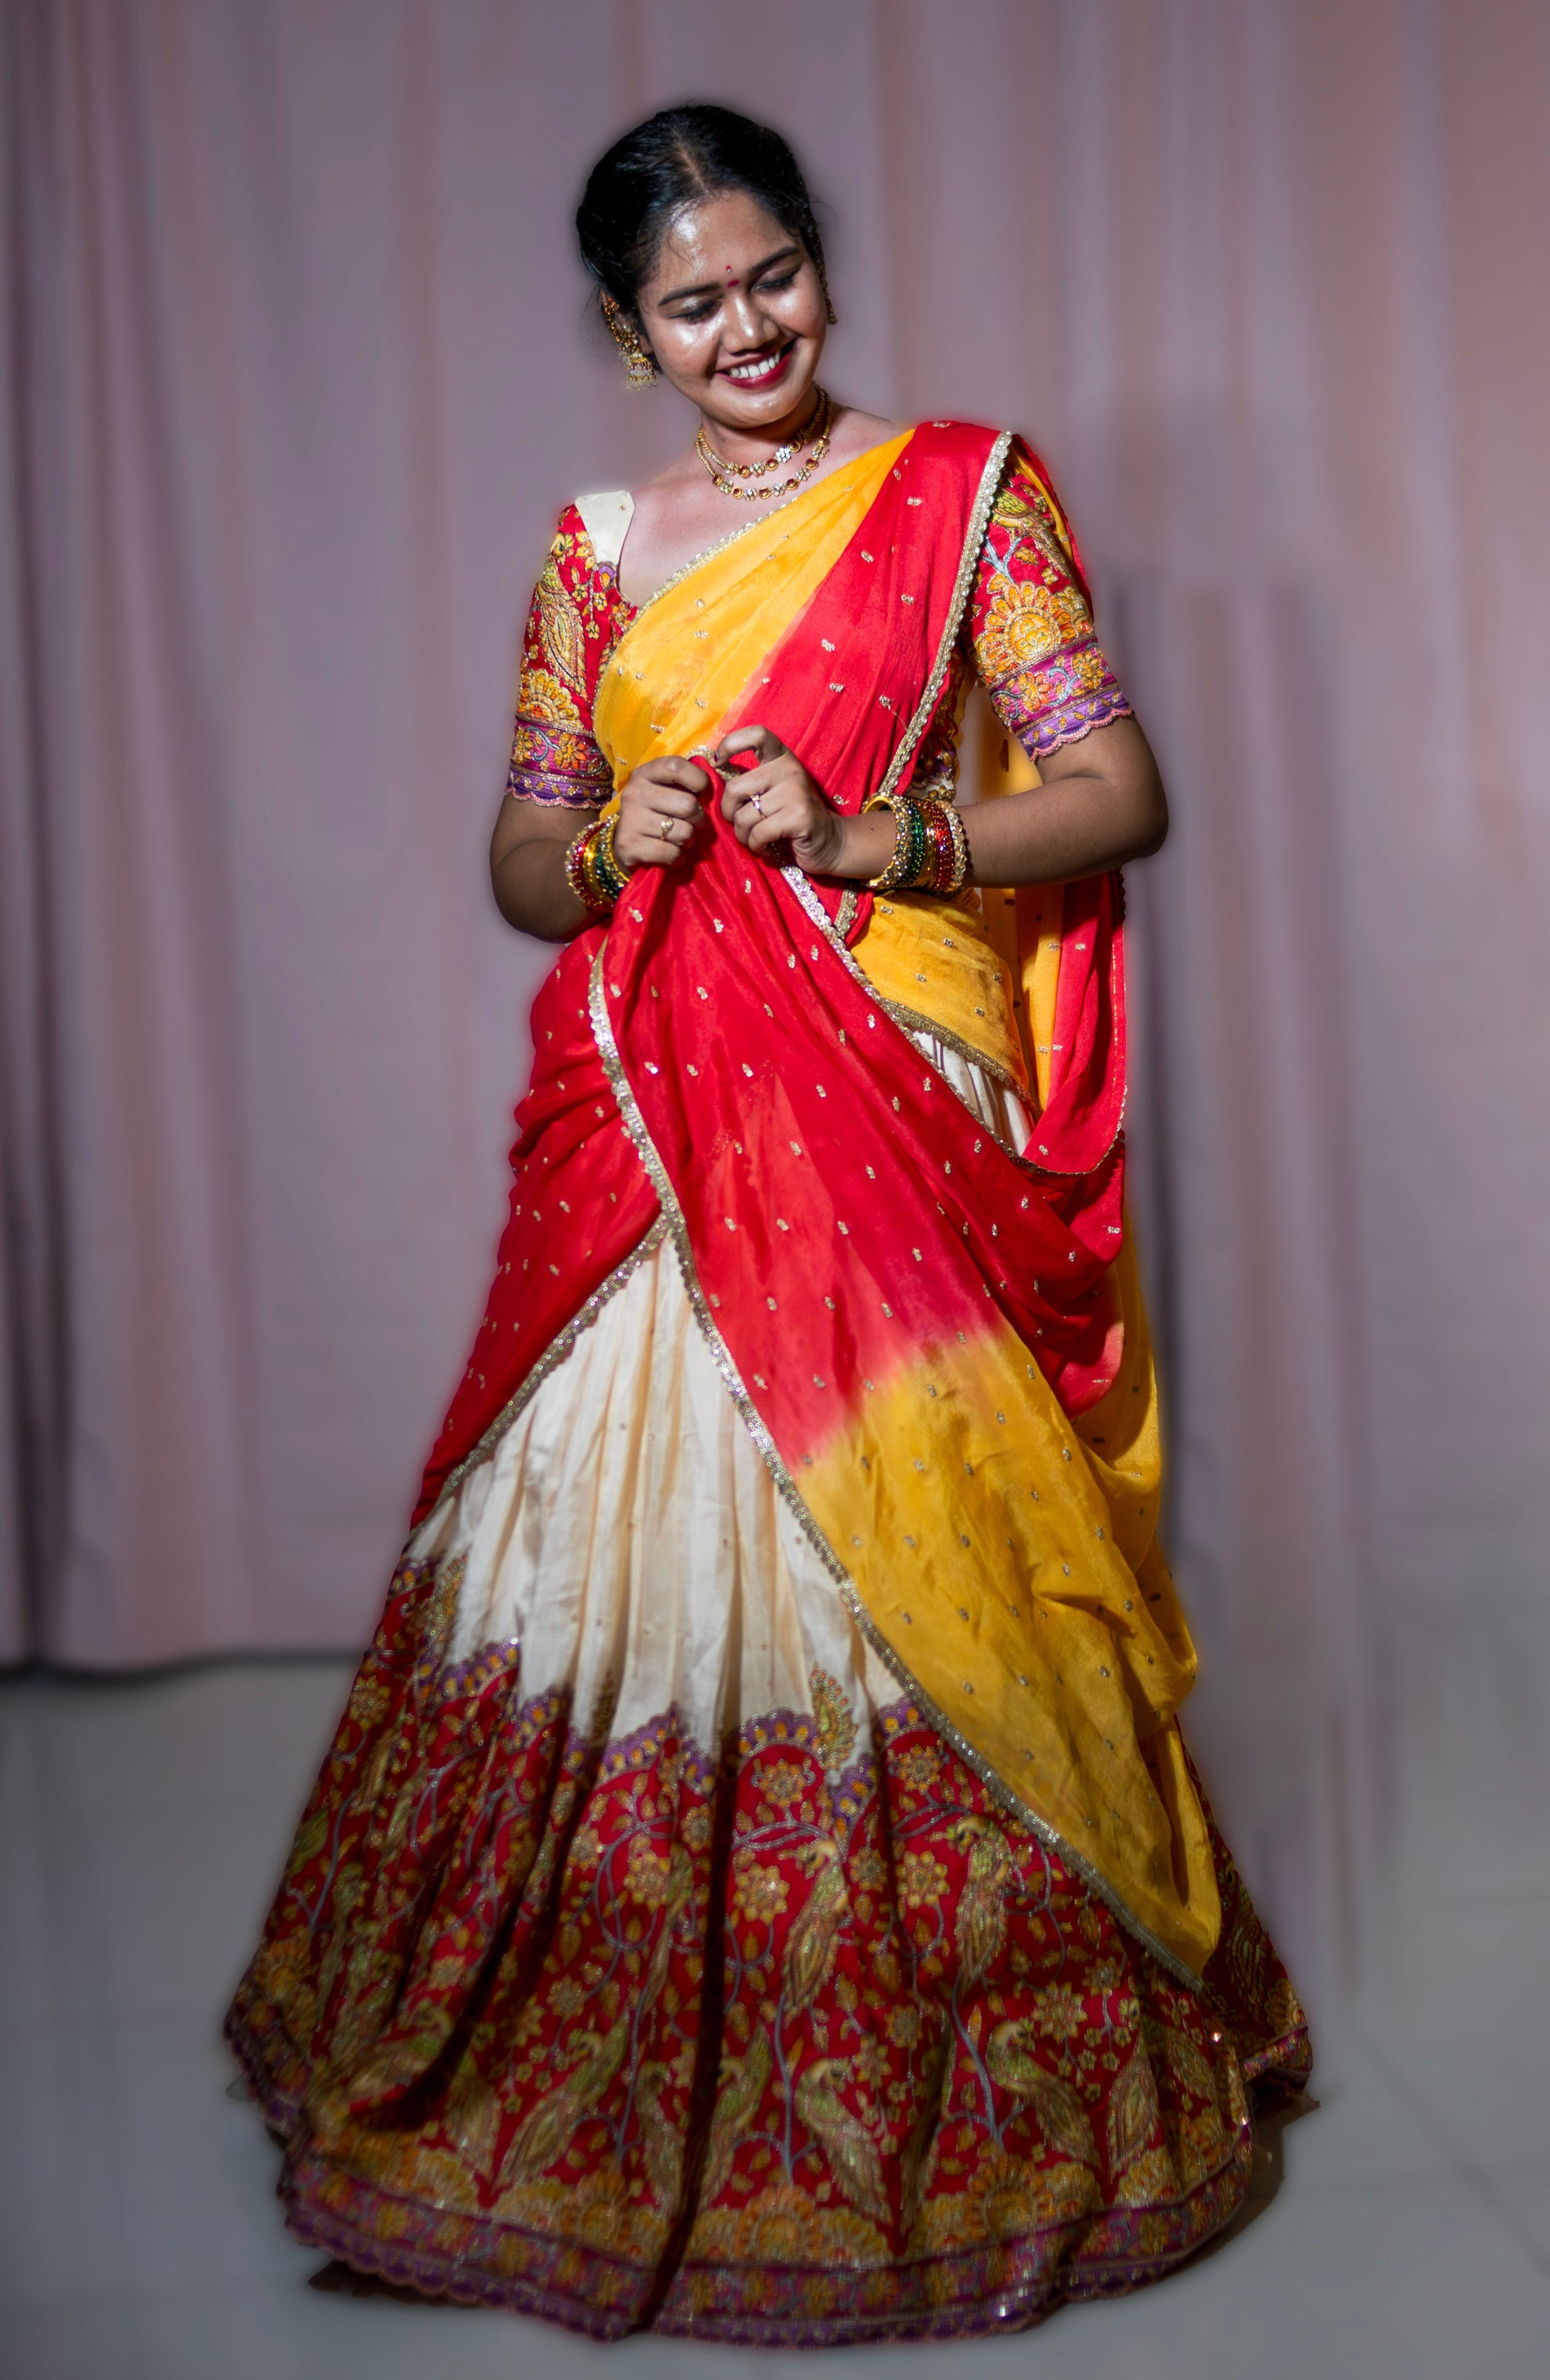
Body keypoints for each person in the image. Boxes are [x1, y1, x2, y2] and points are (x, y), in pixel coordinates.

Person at [228, 103, 1309, 2346]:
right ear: (627, 334)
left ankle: (993, 2104)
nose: (748, 329)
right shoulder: (595, 551)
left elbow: (1115, 787)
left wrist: (879, 833)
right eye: (692, 302)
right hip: (651, 1140)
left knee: (931, 1546)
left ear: (821, 267)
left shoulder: (968, 494)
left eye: (773, 278)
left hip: (884, 1097)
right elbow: (520, 865)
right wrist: (600, 836)